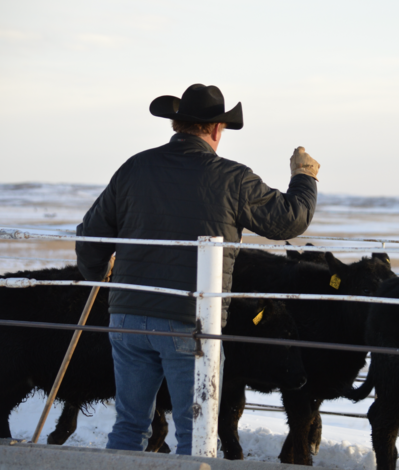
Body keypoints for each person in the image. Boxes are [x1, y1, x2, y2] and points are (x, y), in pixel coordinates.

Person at [75, 83, 319, 454]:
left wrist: (101, 281)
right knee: (196, 431)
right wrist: (305, 177)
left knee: (129, 425)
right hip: (191, 322)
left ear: (177, 125)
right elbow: (289, 220)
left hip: (127, 315)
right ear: (217, 130)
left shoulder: (134, 167)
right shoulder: (232, 178)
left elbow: (91, 235)